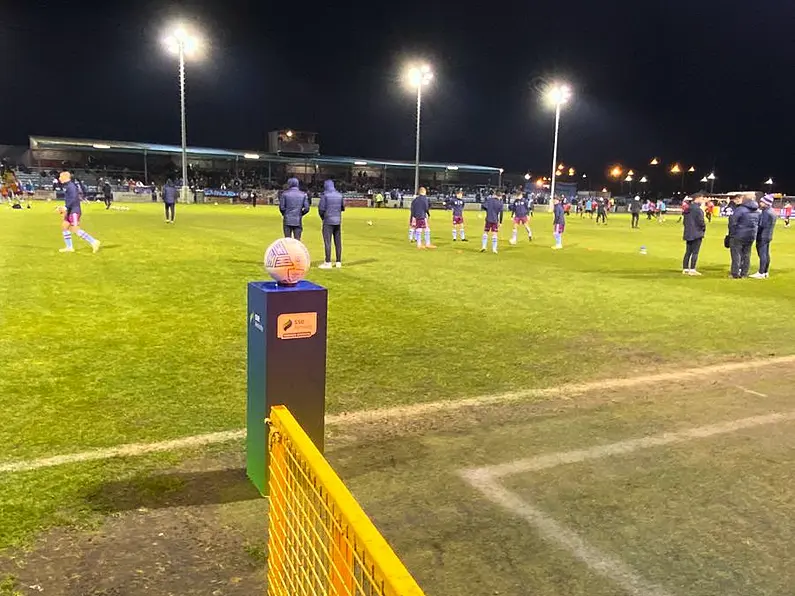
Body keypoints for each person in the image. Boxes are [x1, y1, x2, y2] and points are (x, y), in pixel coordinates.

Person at [58, 171, 101, 254]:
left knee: (75, 228)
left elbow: (74, 198)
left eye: (60, 176)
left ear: (66, 177)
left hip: (74, 211)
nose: (59, 178)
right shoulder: (67, 186)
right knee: (64, 226)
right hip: (70, 210)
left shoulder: (71, 186)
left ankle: (94, 242)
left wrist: (66, 207)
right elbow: (70, 199)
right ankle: (69, 247)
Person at [727, 195, 759, 279]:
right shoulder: (757, 210)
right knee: (747, 254)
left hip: (738, 235)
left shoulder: (740, 210)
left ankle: (735, 273)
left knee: (736, 254)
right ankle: (744, 273)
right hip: (751, 236)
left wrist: (731, 234)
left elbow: (732, 223)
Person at [318, 179, 345, 269]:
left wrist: (323, 218)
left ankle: (328, 262)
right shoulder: (339, 195)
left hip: (328, 220)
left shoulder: (325, 195)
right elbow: (342, 207)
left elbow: (321, 209)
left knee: (327, 242)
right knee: (338, 242)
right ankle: (338, 262)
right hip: (337, 220)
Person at [750, 195, 776, 279]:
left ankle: (761, 272)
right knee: (766, 254)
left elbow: (762, 225)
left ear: (766, 203)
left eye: (761, 202)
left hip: (763, 235)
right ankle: (765, 271)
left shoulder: (766, 212)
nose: (760, 203)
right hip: (768, 235)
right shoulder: (772, 211)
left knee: (762, 254)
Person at [681, 197, 705, 276]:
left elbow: (684, 222)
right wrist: (703, 229)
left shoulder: (687, 209)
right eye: (701, 199)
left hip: (688, 233)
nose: (702, 201)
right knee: (695, 252)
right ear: (696, 199)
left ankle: (685, 269)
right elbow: (701, 222)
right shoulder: (698, 210)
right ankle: (692, 269)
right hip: (697, 233)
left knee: (688, 252)